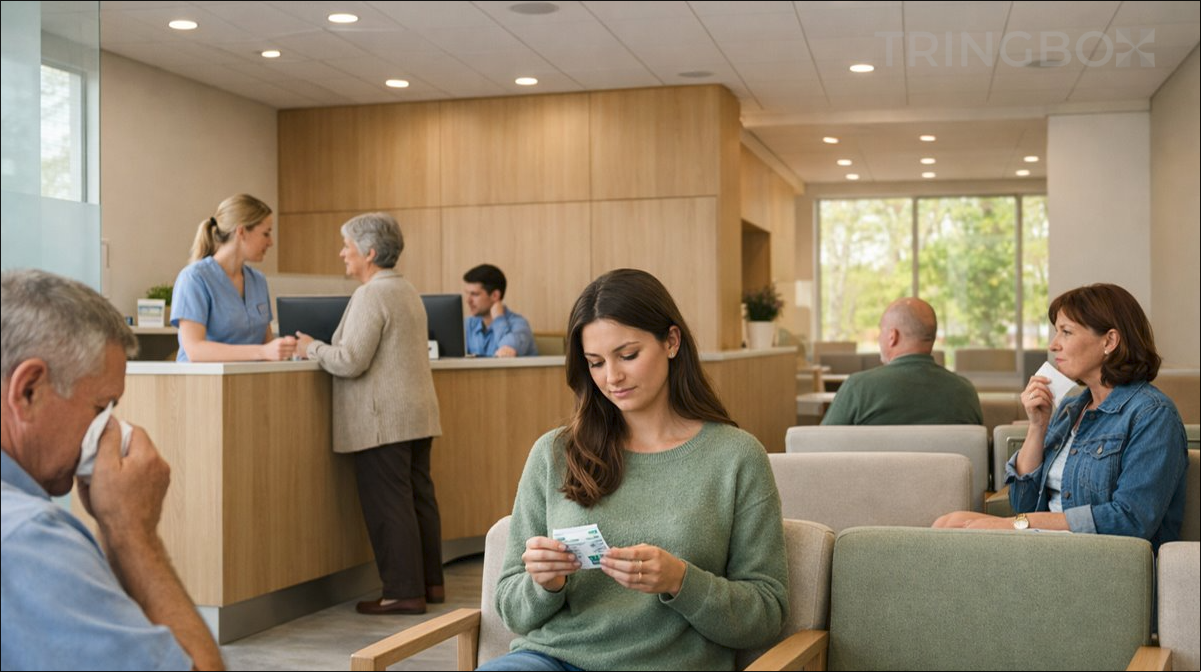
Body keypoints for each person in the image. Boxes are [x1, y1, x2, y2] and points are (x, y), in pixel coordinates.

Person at [479, 269, 788, 671]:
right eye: (595, 363)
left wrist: (681, 580)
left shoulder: (736, 457)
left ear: (671, 342)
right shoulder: (554, 453)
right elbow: (511, 607)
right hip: (550, 660)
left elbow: (766, 614)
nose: (612, 377)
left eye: (627, 355)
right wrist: (545, 583)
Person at [1, 269, 223, 671]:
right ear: (28, 389)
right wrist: (132, 533)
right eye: (101, 408)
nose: (108, 431)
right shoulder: (29, 542)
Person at [934, 284, 1188, 549]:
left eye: (1066, 332)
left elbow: (1131, 519)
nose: (1053, 345)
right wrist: (1037, 426)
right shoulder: (1070, 409)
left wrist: (1016, 525)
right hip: (1050, 549)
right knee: (945, 525)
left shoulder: (1153, 415)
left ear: (1109, 341)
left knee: (953, 533)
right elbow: (1023, 504)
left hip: (1105, 561)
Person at [294, 213, 444, 615]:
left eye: (348, 245)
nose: (342, 253)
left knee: (389, 506)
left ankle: (402, 592)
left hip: (383, 421)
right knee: (417, 501)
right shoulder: (406, 289)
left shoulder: (372, 294)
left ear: (370, 252)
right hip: (415, 415)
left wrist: (310, 347)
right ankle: (430, 583)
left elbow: (350, 360)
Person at [171, 193, 296, 362]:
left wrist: (287, 350)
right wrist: (263, 352)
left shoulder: (257, 280)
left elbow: (266, 342)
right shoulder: (195, 279)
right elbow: (195, 350)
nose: (271, 242)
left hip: (247, 382)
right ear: (241, 231)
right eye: (266, 234)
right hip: (203, 385)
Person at [822, 297, 983, 425]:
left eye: (881, 330)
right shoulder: (965, 392)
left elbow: (817, 449)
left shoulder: (858, 388)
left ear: (893, 336)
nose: (879, 337)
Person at [463, 264, 537, 357]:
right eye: (467, 293)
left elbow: (506, 353)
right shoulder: (468, 324)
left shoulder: (519, 325)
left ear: (495, 295)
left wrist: (498, 319)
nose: (468, 300)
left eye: (474, 294)